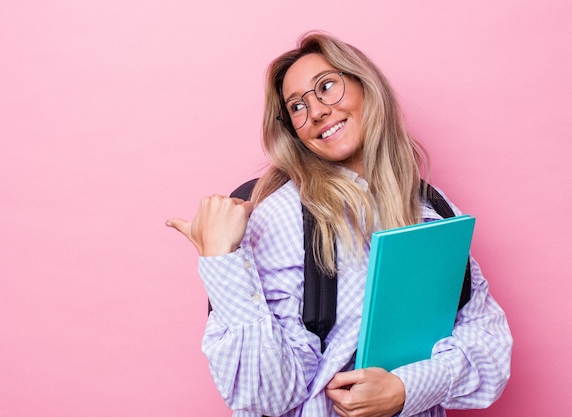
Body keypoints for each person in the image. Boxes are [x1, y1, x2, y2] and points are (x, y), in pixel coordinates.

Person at [166, 31, 512, 417]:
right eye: (297, 107)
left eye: (326, 87)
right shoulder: (282, 216)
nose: (315, 112)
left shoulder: (433, 209)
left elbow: (491, 349)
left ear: (366, 86)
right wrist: (222, 261)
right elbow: (265, 395)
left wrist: (405, 388)